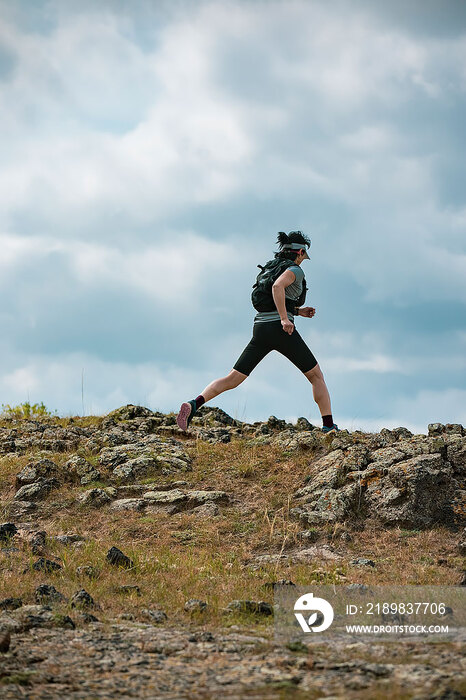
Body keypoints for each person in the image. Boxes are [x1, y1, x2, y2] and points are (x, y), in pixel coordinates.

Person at [176, 231, 339, 433]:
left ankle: (193, 404)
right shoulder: (295, 270)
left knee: (232, 378)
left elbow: (274, 297)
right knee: (316, 376)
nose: (304, 260)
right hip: (280, 330)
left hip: (260, 329)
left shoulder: (271, 267)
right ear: (300, 252)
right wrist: (285, 319)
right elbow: (278, 287)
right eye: (304, 256)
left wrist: (297, 311)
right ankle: (329, 426)